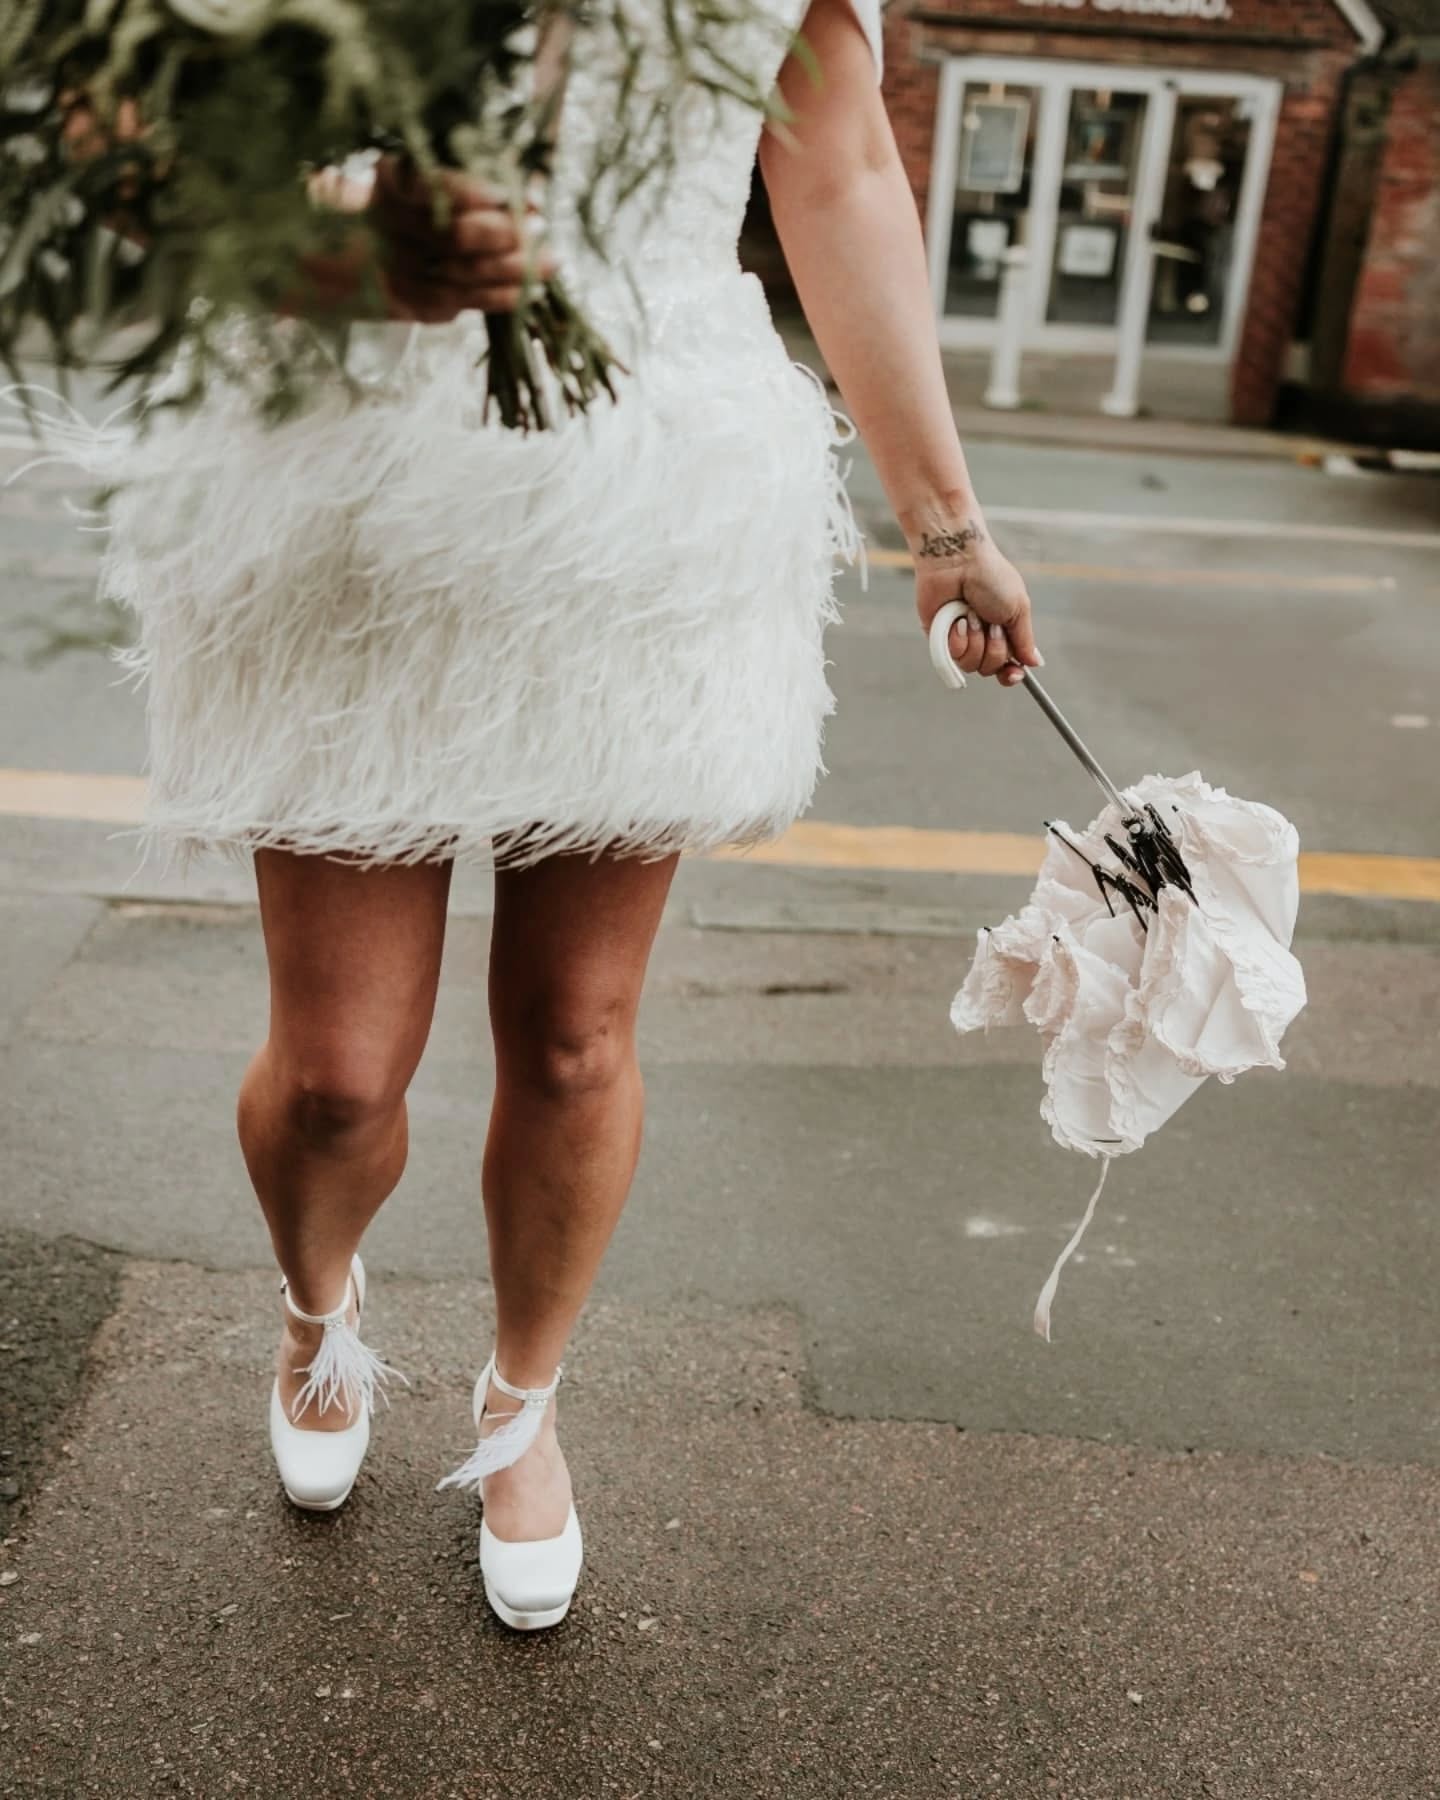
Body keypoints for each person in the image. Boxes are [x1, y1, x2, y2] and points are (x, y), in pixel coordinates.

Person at [21, 0, 1040, 1632]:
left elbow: (837, 166)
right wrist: (326, 245)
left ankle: (520, 1406)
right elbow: (133, 147)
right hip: (348, 469)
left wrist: (942, 517)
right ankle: (317, 1311)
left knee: (575, 1033)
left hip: (645, 478)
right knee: (344, 1079)